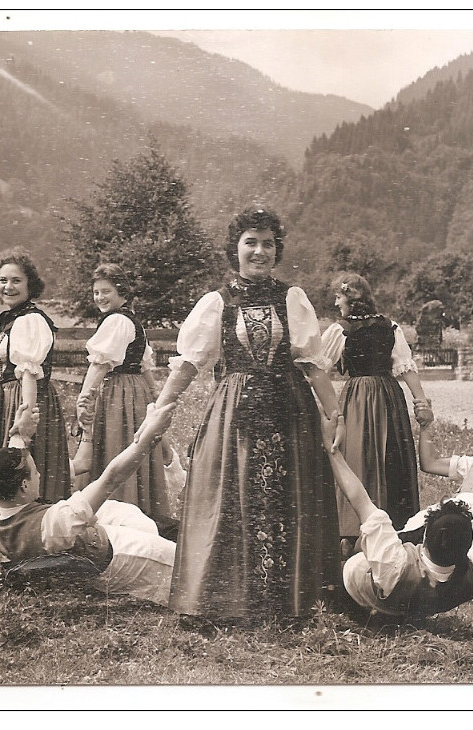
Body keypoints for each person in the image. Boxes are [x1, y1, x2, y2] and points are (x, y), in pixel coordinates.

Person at [153, 205, 343, 621]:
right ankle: (232, 598)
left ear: (277, 250)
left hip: (289, 408)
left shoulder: (292, 298)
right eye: (250, 243)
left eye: (268, 244)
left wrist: (334, 416)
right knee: (230, 496)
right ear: (235, 249)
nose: (259, 252)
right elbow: (188, 364)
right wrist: (161, 409)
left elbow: (312, 364)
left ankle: (288, 599)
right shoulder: (216, 303)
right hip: (235, 410)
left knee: (289, 495)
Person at [0, 402, 178, 606]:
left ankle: (174, 532)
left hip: (90, 539)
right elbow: (111, 478)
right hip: (117, 554)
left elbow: (8, 463)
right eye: (34, 472)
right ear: (24, 485)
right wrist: (148, 438)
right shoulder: (54, 524)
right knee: (182, 565)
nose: (39, 474)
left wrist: (20, 435)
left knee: (135, 518)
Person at [0, 247, 72, 567]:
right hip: (6, 397)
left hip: (24, 397)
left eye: (16, 281)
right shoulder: (11, 318)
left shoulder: (31, 320)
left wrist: (26, 416)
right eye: (3, 280)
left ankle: (29, 549)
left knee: (22, 464)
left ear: (30, 284)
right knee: (3, 467)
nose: (8, 287)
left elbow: (29, 371)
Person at [330, 420, 473, 621]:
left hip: (359, 592)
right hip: (415, 602)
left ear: (424, 536)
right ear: (470, 545)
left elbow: (359, 498)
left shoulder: (396, 563)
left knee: (343, 565)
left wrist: (332, 451)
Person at [321, 273, 434, 557]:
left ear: (351, 298)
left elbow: (318, 368)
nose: (336, 302)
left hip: (358, 398)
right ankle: (385, 528)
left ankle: (353, 532)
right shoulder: (390, 327)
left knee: (358, 458)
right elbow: (406, 369)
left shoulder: (340, 330)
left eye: (339, 296)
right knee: (384, 458)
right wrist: (420, 401)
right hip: (388, 398)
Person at [75, 263, 176, 529]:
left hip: (118, 394)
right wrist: (153, 397)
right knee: (131, 450)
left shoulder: (117, 321)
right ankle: (138, 513)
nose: (100, 298)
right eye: (96, 292)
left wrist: (84, 398)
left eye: (106, 291)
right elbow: (144, 368)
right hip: (134, 394)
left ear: (122, 292)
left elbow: (99, 365)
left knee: (116, 447)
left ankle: (117, 519)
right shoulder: (133, 321)